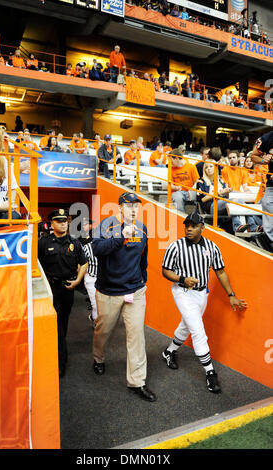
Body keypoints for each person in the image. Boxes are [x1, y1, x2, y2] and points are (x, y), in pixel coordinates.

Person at [162, 211, 247, 393]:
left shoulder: (211, 247)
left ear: (202, 227)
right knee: (198, 331)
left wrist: (231, 294)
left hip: (201, 294)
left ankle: (168, 352)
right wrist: (183, 279)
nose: (189, 229)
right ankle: (210, 373)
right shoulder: (175, 247)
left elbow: (220, 272)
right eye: (187, 226)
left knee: (186, 325)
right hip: (183, 292)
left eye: (193, 226)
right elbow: (166, 271)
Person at [92, 191, 156, 402]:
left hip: (135, 290)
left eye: (136, 206)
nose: (133, 209)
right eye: (129, 206)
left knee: (137, 336)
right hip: (109, 290)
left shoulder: (142, 229)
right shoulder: (106, 225)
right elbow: (97, 250)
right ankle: (98, 358)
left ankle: (137, 382)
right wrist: (121, 237)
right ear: (119, 207)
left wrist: (142, 280)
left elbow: (143, 258)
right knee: (103, 331)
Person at [38, 209, 88, 377]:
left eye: (65, 221)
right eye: (59, 221)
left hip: (68, 289)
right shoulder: (43, 243)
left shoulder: (75, 243)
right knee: (57, 323)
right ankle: (60, 361)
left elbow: (84, 263)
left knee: (63, 323)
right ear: (51, 224)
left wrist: (78, 280)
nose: (63, 223)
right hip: (50, 289)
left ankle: (58, 348)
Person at [250, 131, 273, 252]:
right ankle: (270, 243)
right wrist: (264, 160)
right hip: (272, 185)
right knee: (267, 204)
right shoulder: (267, 138)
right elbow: (253, 156)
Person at [79, 217, 98, 327]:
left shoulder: (95, 236)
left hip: (101, 275)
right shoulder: (83, 239)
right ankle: (96, 320)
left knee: (101, 303)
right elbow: (82, 260)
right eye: (84, 225)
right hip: (90, 275)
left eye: (87, 224)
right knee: (95, 304)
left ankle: (94, 316)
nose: (85, 226)